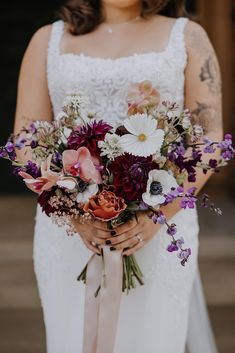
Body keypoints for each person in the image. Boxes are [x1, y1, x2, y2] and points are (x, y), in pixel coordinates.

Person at [14, 1, 223, 352]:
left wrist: (159, 215)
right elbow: (25, 139)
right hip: (69, 236)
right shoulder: (46, 41)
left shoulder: (189, 37)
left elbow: (210, 141)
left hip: (157, 230)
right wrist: (72, 212)